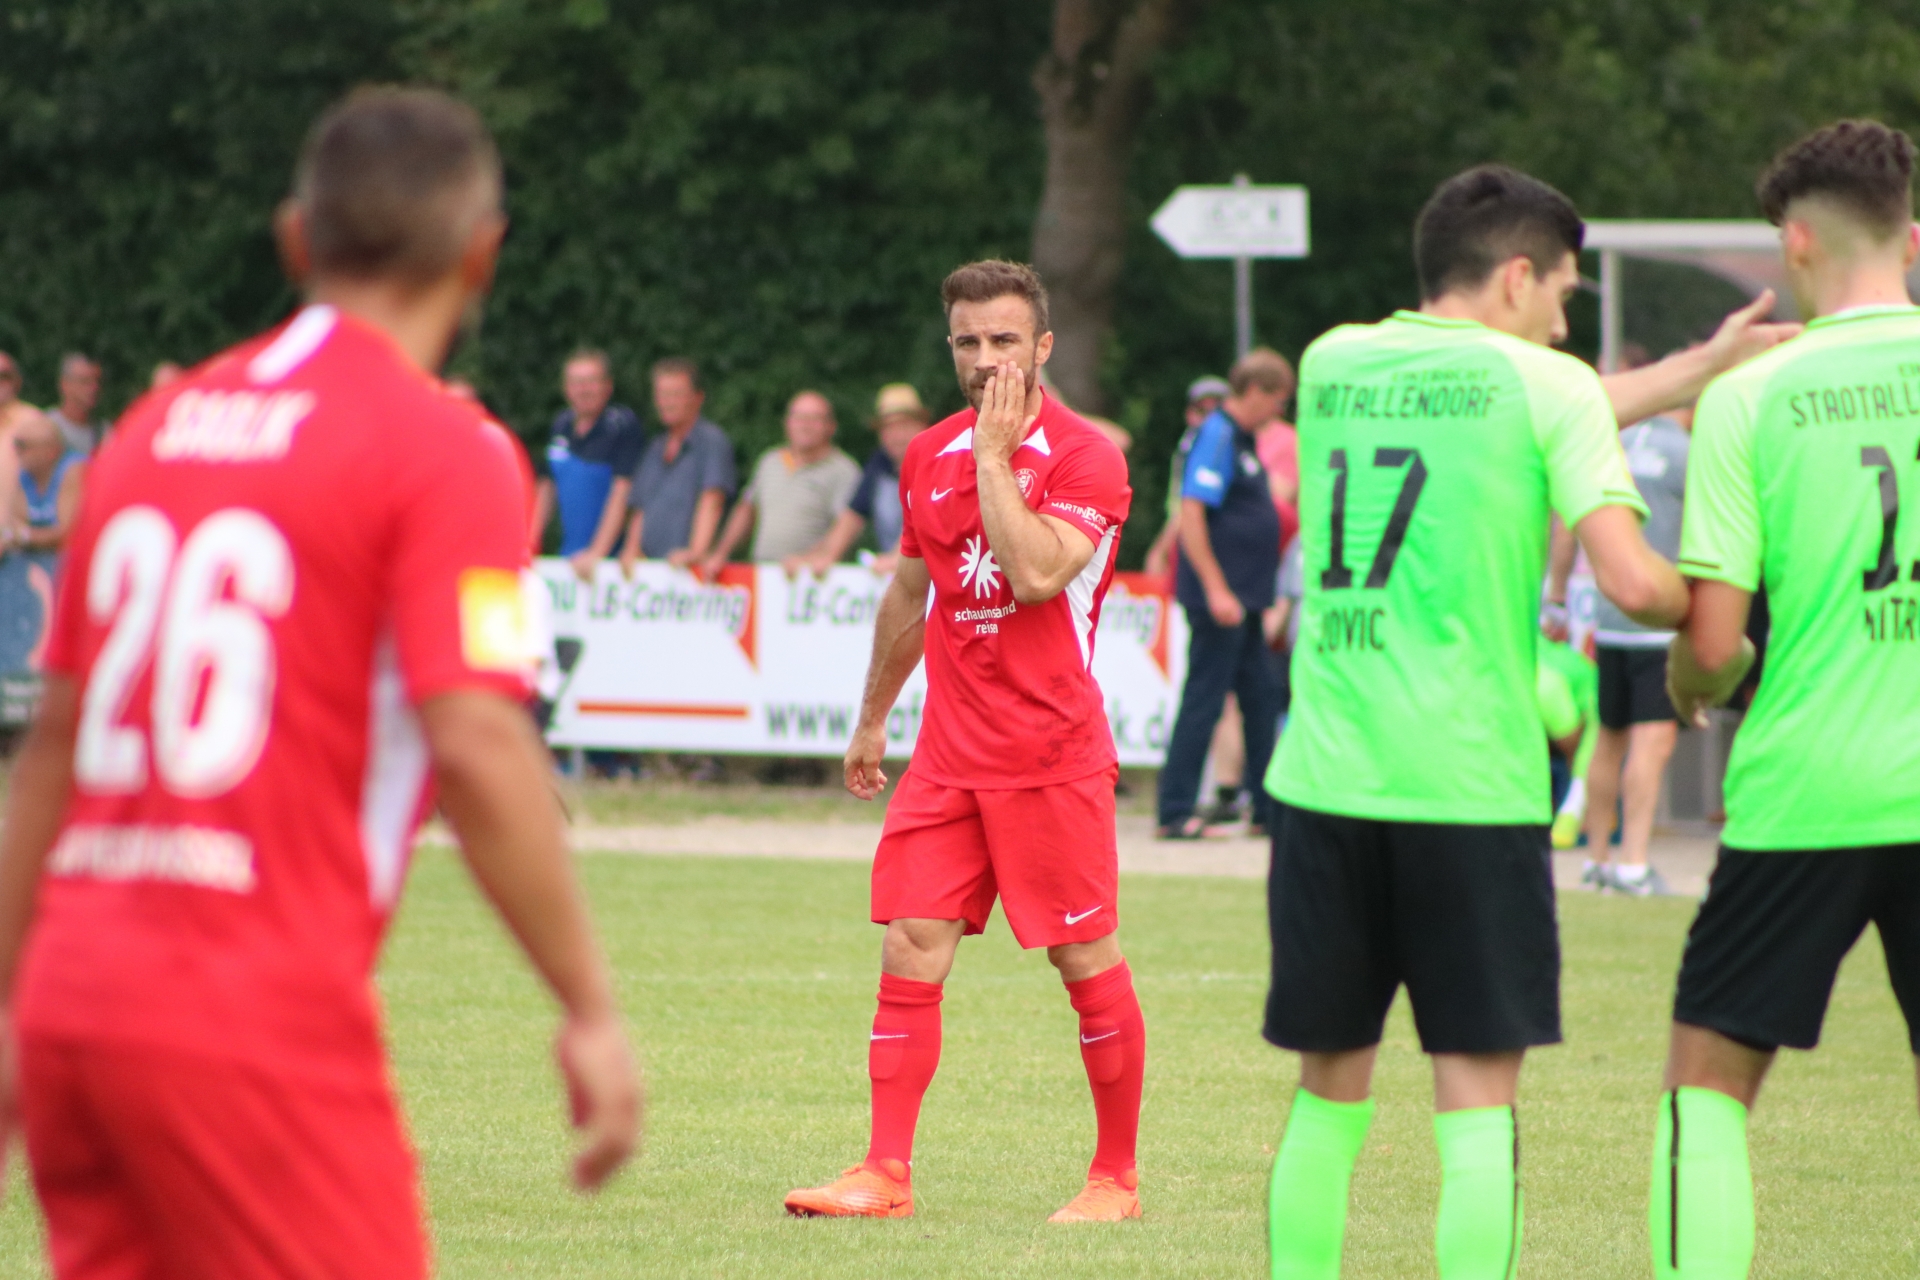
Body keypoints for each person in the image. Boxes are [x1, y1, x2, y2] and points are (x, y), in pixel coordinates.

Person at [0, 88, 640, 1279]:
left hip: (72, 998)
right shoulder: (446, 447)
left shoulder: (151, 429)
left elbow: (55, 746)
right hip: (250, 1016)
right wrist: (590, 1007)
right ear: (483, 253)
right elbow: (478, 738)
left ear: (295, 238)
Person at [1259, 163, 1793, 1280]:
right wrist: (1719, 612)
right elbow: (1633, 582)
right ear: (1516, 276)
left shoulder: (1331, 361)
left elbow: (1532, 400)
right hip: (1470, 786)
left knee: (1326, 1099)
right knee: (1475, 1106)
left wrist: (1701, 365)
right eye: (1561, 293)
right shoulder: (1546, 385)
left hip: (1325, 784)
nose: (1563, 320)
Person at [784, 259, 1141, 1223]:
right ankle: (883, 1174)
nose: (987, 360)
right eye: (968, 342)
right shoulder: (924, 454)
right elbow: (912, 593)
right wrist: (873, 716)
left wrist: (993, 458)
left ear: (1044, 346)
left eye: (1005, 340)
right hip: (947, 756)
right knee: (910, 943)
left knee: (1083, 959)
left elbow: (1033, 575)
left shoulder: (1087, 458)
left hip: (1051, 756)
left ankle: (1115, 1180)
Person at [1655, 118, 1920, 1280]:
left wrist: (1690, 682)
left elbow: (1716, 644)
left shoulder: (1751, 394)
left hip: (1808, 783)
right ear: (1912, 239)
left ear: (1796, 243)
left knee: (1706, 1085)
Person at [1155, 348, 1292, 841]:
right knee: (1205, 698)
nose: (1278, 411)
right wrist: (1215, 587)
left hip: (1247, 599)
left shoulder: (1243, 439)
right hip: (1223, 599)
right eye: (1277, 400)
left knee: (1261, 697)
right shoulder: (1216, 434)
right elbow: (1192, 511)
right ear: (1254, 391)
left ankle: (1267, 809)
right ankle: (1174, 810)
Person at [1582, 406, 1692, 895]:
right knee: (1653, 739)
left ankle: (1597, 861)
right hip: (1658, 621)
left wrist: (1560, 595)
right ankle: (1633, 864)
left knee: (1609, 738)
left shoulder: (1616, 444)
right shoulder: (1687, 452)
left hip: (1610, 617)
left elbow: (1569, 526)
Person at [702, 390, 860, 576]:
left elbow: (846, 526)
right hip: (763, 573)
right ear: (787, 423)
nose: (805, 425)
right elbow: (747, 509)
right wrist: (721, 554)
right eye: (799, 418)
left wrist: (809, 559)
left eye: (815, 419)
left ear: (831, 427)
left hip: (811, 577)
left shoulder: (843, 470)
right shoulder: (770, 461)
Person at [797, 382, 932, 576]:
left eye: (904, 426)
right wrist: (825, 556)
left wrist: (900, 556)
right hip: (897, 572)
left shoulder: (935, 461)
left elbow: (926, 518)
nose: (896, 435)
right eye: (888, 428)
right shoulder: (880, 464)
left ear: (922, 426)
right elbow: (853, 515)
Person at [535, 349, 646, 580]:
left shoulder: (621, 426)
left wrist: (597, 553)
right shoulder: (561, 425)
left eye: (591, 382)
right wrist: (529, 543)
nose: (583, 390)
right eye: (576, 383)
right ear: (566, 388)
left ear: (608, 386)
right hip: (567, 559)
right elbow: (546, 488)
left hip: (607, 566)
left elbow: (623, 492)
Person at [618, 357, 734, 573]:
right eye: (662, 394)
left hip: (687, 571)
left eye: (676, 394)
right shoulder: (655, 447)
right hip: (650, 569)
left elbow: (712, 501)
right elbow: (640, 506)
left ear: (697, 398)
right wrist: (632, 549)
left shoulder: (711, 442)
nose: (667, 402)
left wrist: (696, 552)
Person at [1142, 375, 1230, 578]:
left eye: (1216, 411)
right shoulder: (1189, 443)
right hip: (1187, 534)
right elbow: (1180, 506)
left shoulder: (1217, 446)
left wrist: (1161, 550)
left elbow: (1191, 506)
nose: (1208, 419)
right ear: (1189, 413)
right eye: (1201, 410)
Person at [5, 407, 85, 557]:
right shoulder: (26, 473)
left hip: (70, 558)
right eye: (16, 444)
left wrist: (24, 536)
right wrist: (21, 535)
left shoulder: (74, 470)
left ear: (51, 452)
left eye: (23, 446)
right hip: (37, 557)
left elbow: (68, 534)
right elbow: (15, 523)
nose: (17, 451)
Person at [47, 353, 105, 457]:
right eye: (85, 381)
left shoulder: (104, 432)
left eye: (98, 381)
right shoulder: (46, 427)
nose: (94, 388)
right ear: (64, 384)